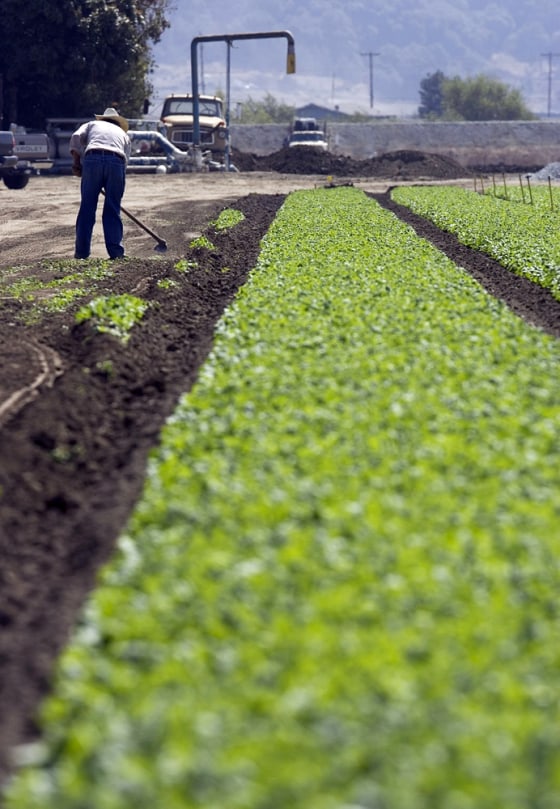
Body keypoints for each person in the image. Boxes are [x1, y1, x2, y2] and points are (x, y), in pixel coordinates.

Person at [70, 107, 132, 260]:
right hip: (117, 161)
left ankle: (82, 253)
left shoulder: (92, 125)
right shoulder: (123, 134)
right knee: (112, 209)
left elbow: (76, 137)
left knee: (87, 208)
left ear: (103, 119)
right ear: (117, 122)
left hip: (93, 157)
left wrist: (77, 163)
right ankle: (116, 253)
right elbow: (125, 163)